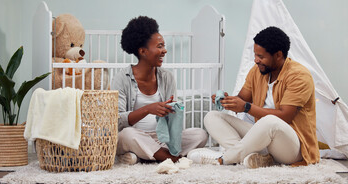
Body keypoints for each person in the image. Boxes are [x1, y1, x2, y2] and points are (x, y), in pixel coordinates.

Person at [187, 26, 320, 168]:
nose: (256, 60)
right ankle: (253, 157)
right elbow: (243, 99)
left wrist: (246, 107)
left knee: (270, 121)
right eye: (255, 55)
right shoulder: (258, 71)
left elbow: (285, 116)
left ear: (278, 55)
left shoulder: (299, 76)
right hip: (263, 139)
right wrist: (228, 101)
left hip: (293, 148)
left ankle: (223, 159)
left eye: (261, 56)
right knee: (212, 117)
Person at [113, 16, 208, 165]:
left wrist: (173, 111)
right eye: (159, 46)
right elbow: (117, 121)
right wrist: (148, 109)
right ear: (143, 51)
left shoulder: (167, 77)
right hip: (135, 136)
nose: (165, 50)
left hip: (162, 138)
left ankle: (143, 156)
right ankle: (172, 158)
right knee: (127, 134)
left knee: (200, 135)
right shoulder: (122, 78)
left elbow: (174, 124)